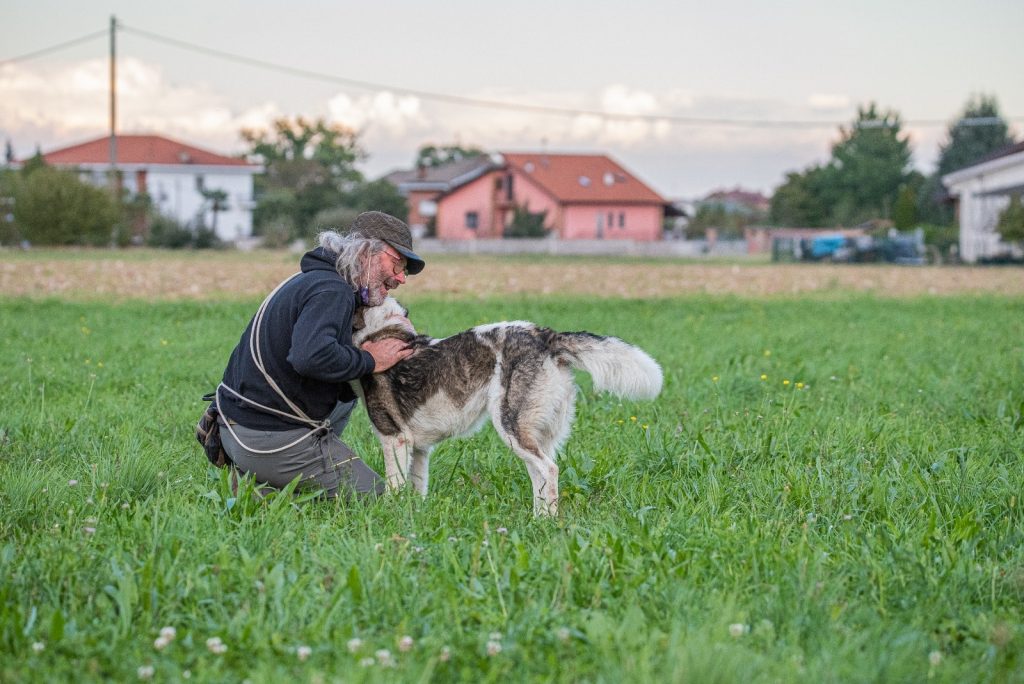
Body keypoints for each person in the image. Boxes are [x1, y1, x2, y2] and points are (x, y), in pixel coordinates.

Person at [210, 211, 425, 498]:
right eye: (397, 264)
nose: (401, 278)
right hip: (266, 440)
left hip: (237, 430)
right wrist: (371, 360)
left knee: (347, 391)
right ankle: (272, 475)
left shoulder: (310, 280)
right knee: (376, 498)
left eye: (405, 271)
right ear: (367, 253)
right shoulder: (331, 291)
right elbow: (310, 357)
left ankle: (265, 482)